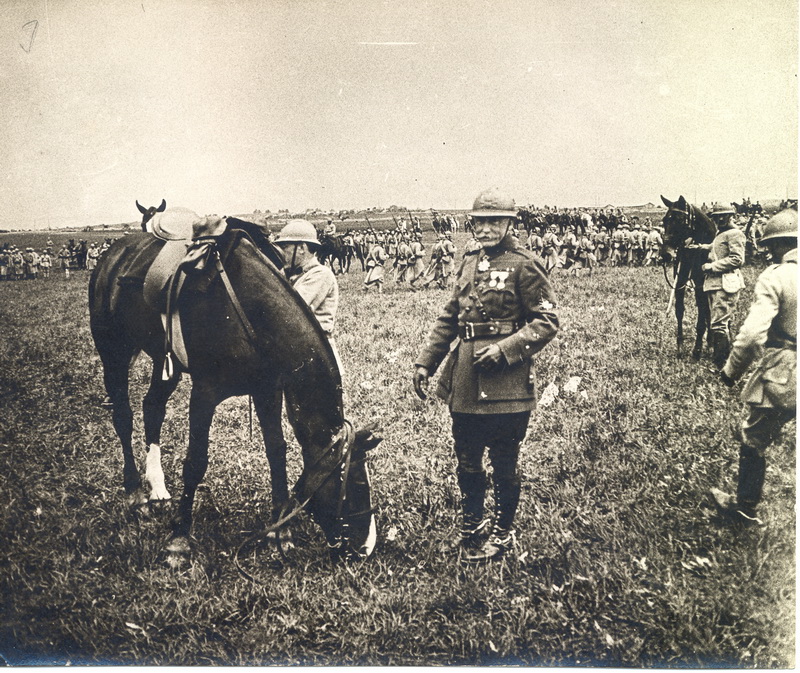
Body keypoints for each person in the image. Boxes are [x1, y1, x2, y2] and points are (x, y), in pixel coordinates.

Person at [413, 188, 559, 563]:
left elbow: (546, 321)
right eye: (480, 221)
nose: (486, 228)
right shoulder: (468, 260)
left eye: (494, 221)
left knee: (505, 460)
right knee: (466, 457)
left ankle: (503, 532)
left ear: (510, 222)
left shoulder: (525, 264)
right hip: (465, 377)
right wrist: (425, 362)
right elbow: (450, 316)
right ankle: (473, 523)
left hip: (507, 381)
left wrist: (506, 349)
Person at [710, 208, 797, 526]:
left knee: (753, 437)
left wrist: (730, 371)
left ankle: (745, 509)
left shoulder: (777, 276)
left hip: (786, 370)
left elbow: (750, 337)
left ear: (776, 245)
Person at [274, 219, 343, 373]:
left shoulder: (320, 274)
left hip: (318, 358)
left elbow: (290, 310)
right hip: (298, 355)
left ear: (302, 248)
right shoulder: (291, 274)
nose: (281, 253)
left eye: (285, 247)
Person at [698, 203, 747, 369]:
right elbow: (715, 249)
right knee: (719, 322)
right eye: (716, 217)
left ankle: (721, 364)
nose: (719, 219)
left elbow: (737, 259)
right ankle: (726, 360)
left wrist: (711, 266)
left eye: (723, 216)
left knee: (719, 324)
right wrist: (697, 247)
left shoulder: (735, 234)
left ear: (730, 216)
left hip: (726, 283)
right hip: (715, 284)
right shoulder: (722, 234)